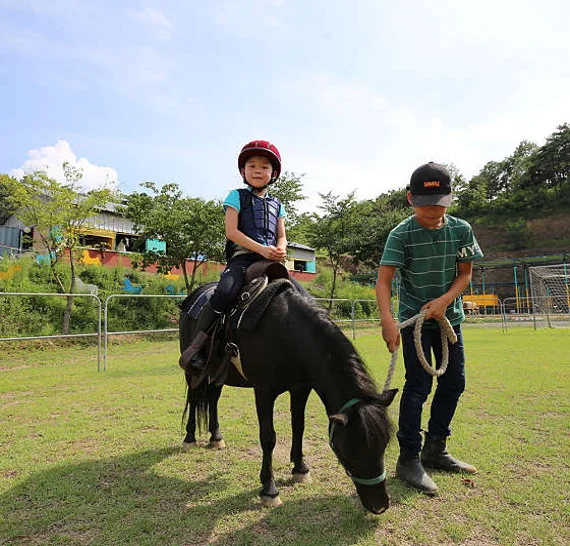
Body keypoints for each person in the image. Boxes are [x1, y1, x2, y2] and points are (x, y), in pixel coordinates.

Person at [375, 161, 483, 495]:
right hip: (415, 323)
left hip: (449, 320)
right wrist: (388, 321)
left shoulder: (460, 229)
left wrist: (444, 301)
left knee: (454, 383)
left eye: (440, 207)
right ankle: (408, 458)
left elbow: (464, 273)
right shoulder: (401, 234)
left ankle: (435, 448)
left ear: (450, 199)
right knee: (418, 386)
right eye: (426, 208)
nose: (434, 214)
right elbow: (384, 281)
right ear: (411, 199)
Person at [186, 140, 288, 369]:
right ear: (243, 171)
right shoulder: (236, 196)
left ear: (273, 173)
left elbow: (282, 235)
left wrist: (281, 247)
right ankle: (197, 347)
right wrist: (261, 249)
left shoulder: (277, 204)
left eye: (264, 167)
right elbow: (231, 231)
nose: (258, 171)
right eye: (252, 166)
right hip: (243, 259)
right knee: (225, 292)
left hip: (270, 261)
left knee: (299, 296)